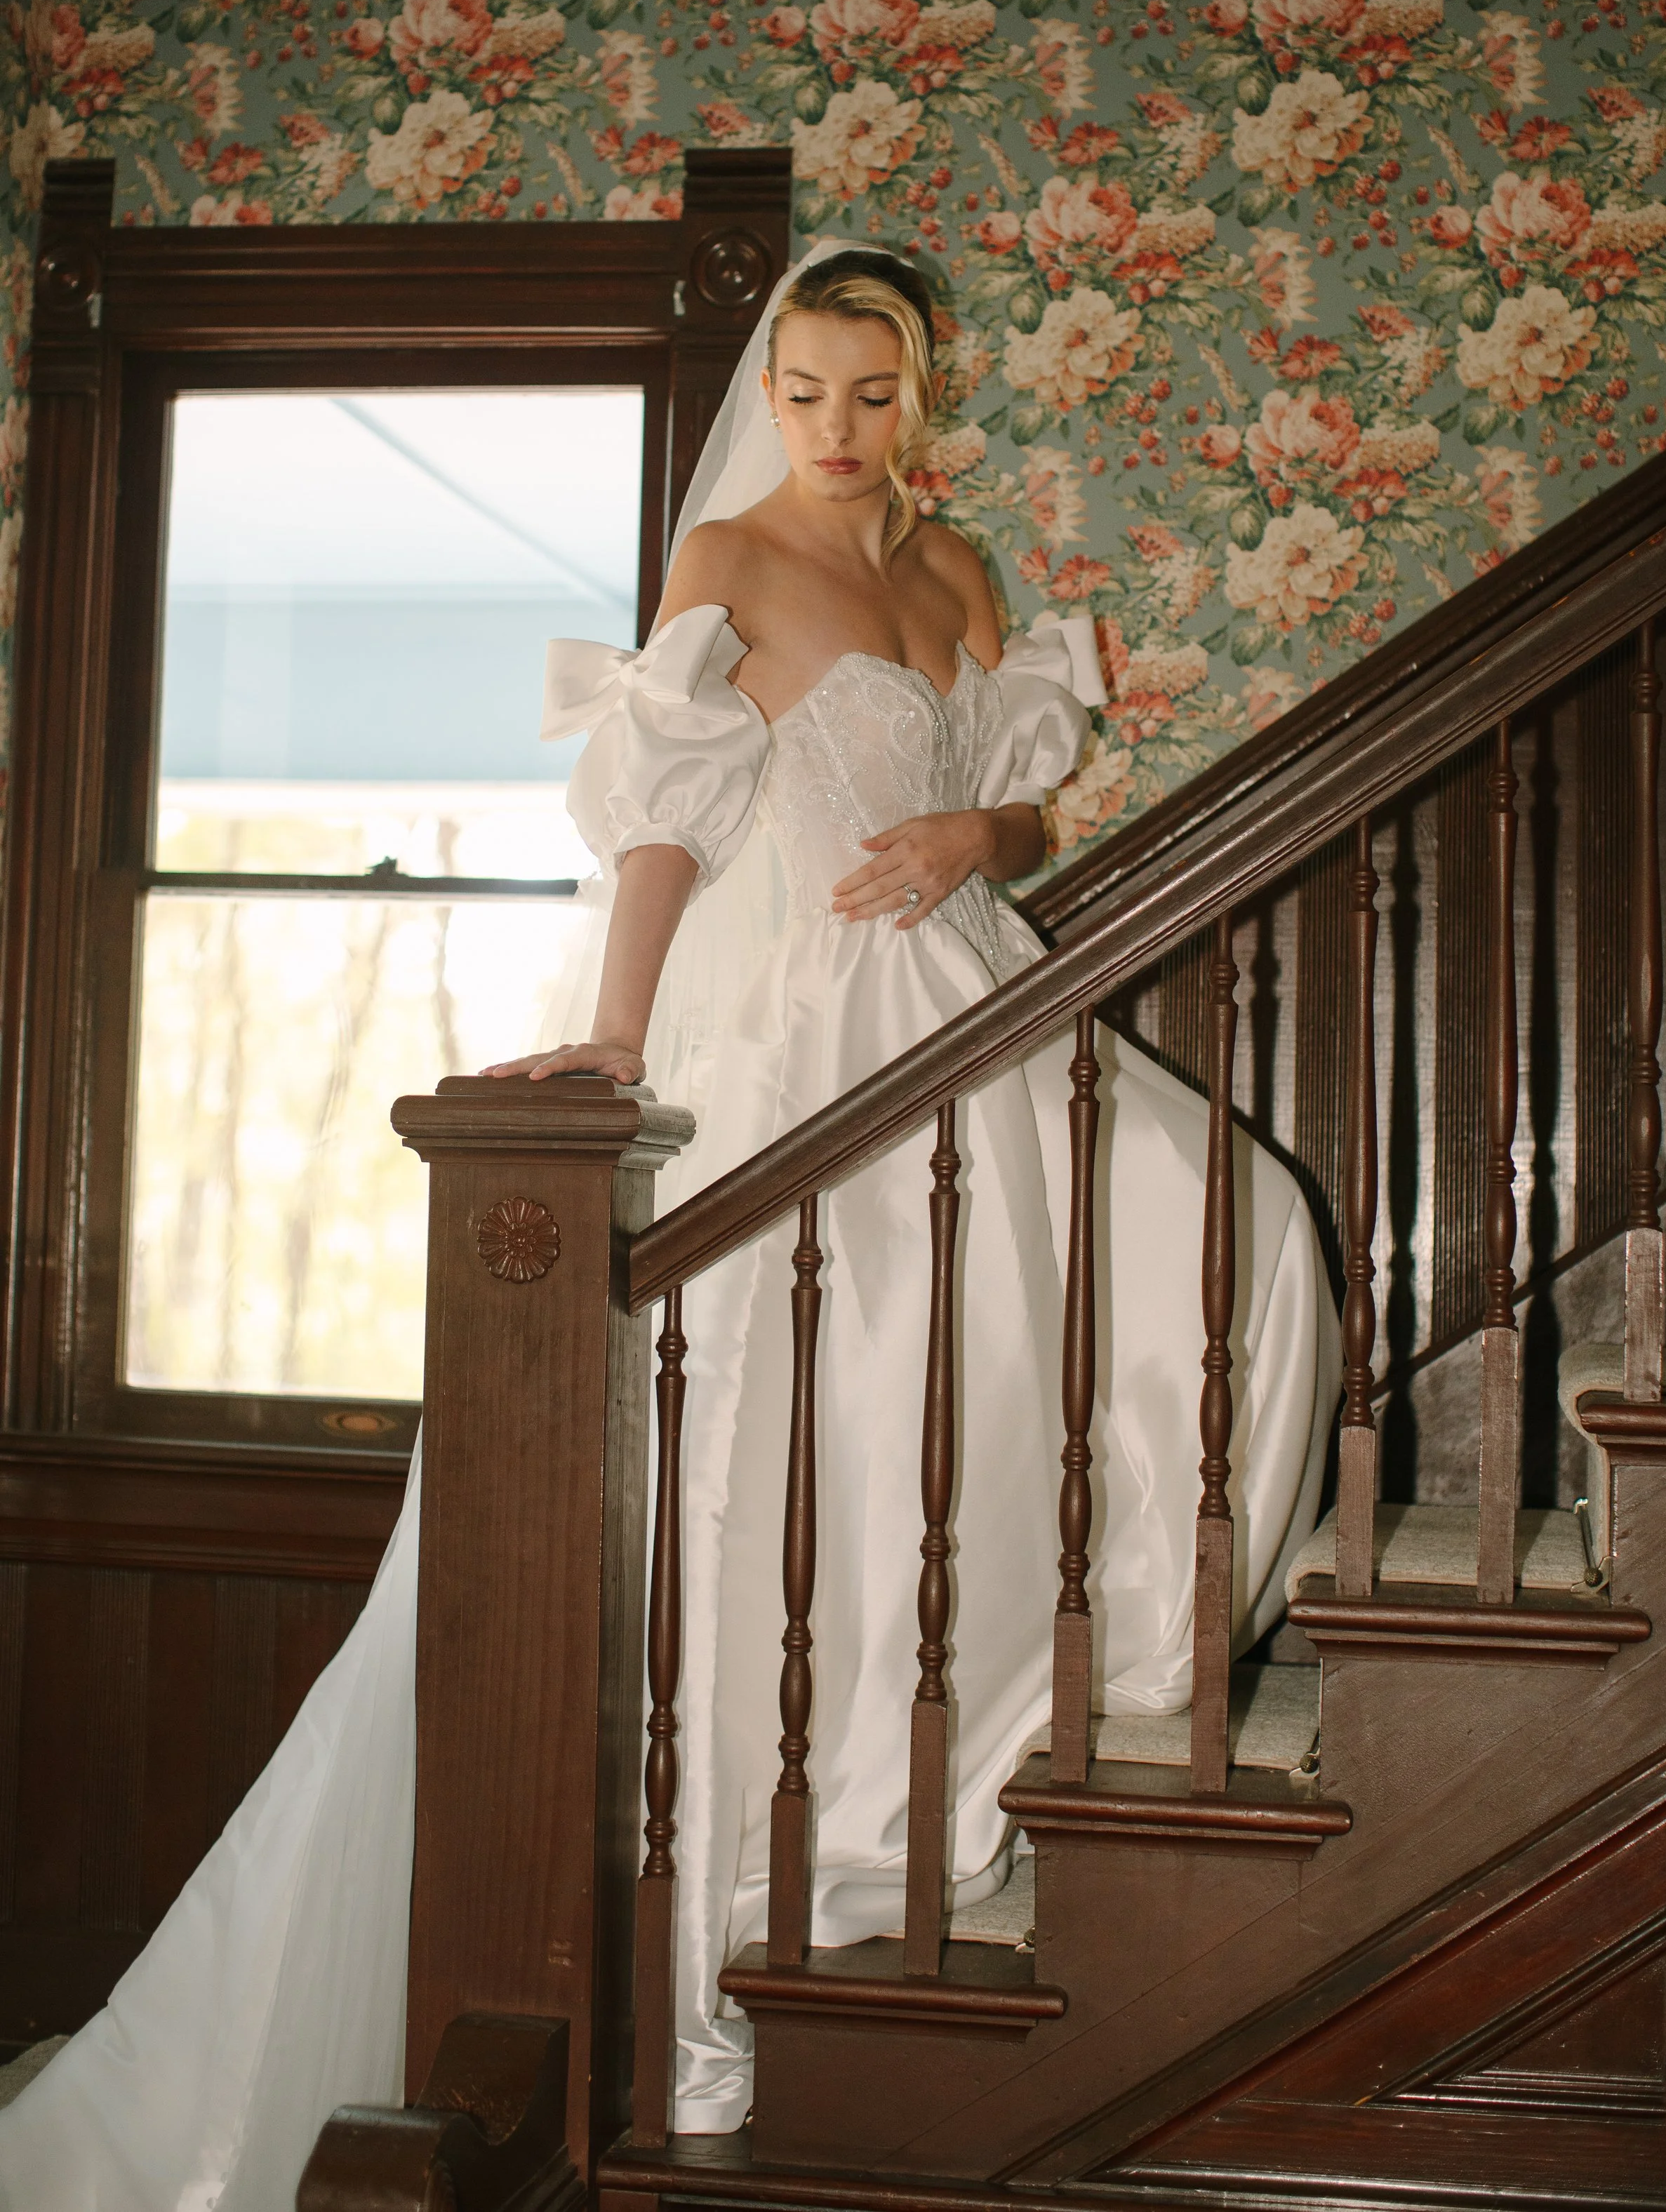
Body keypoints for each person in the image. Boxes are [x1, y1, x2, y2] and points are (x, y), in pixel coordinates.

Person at [0, 244, 1338, 2201]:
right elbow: (665, 816)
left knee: (1223, 1226)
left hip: (957, 984)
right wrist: (611, 1043)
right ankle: (729, 1909)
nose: (833, 425)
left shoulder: (957, 572)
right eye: (802, 388)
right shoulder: (725, 561)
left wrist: (986, 832)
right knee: (802, 1415)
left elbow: (1015, 796)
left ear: (922, 390)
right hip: (795, 1013)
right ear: (771, 388)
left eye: (868, 392)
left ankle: (965, 1774)